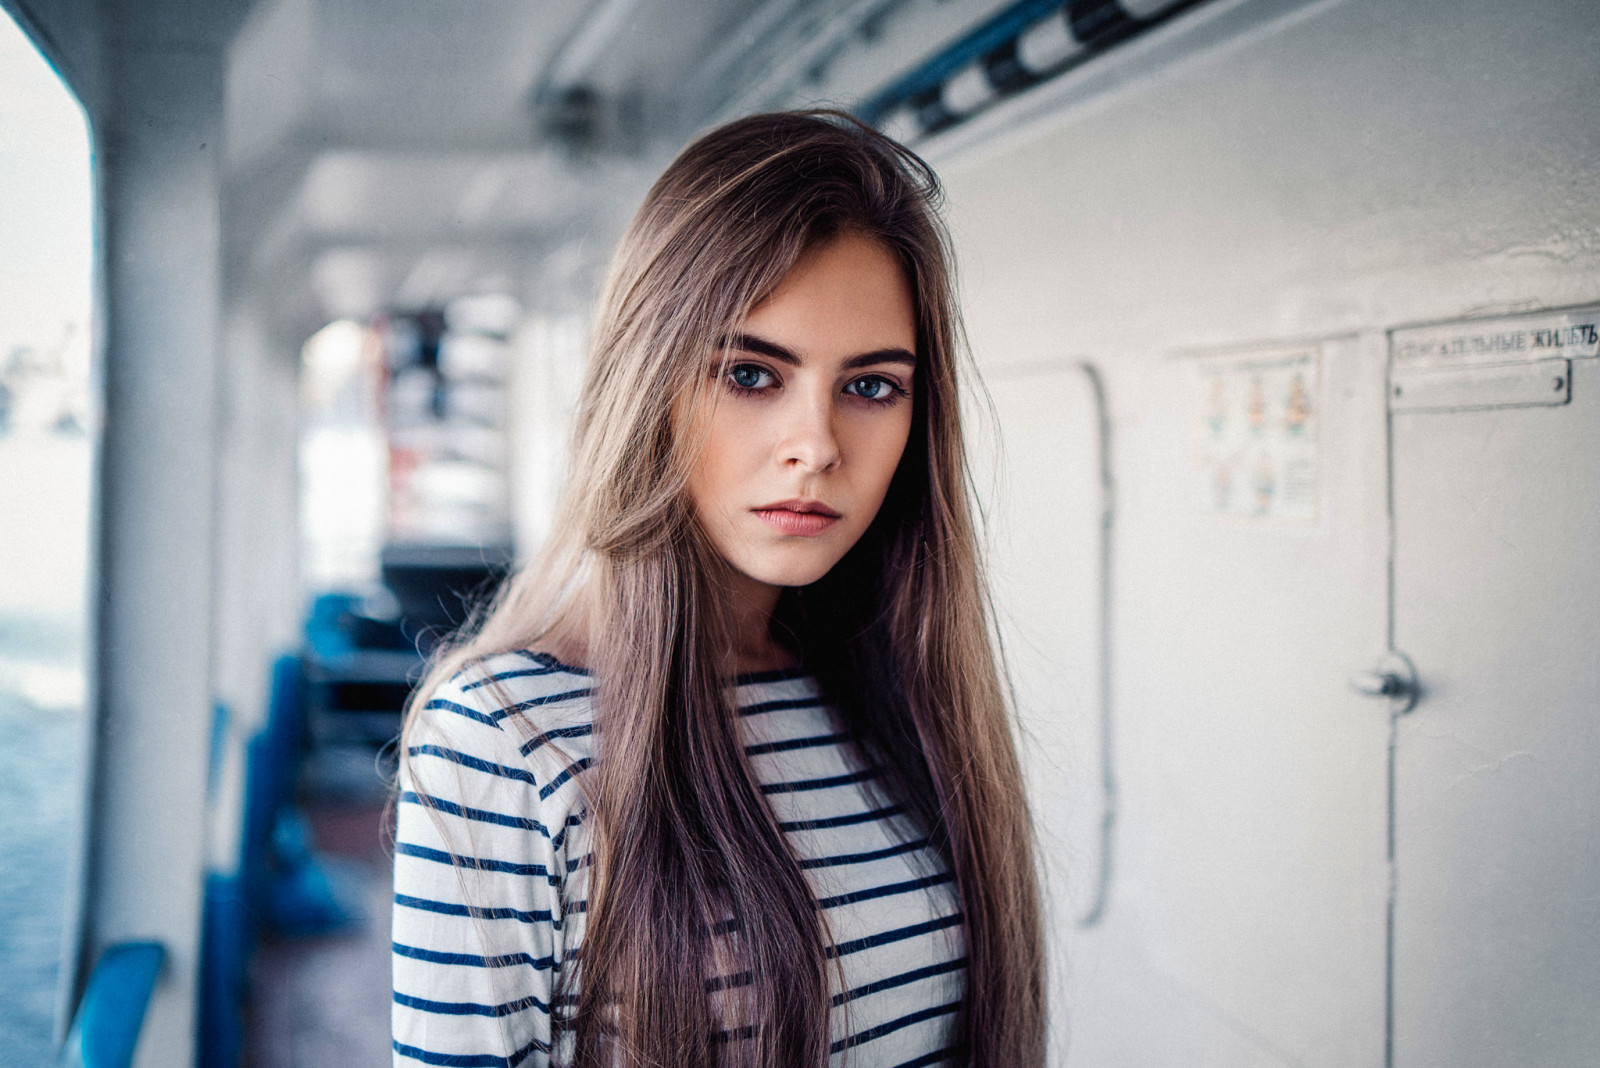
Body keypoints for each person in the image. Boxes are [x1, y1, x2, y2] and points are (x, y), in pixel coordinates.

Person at [391, 110, 1044, 1068]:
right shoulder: (503, 741)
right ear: (646, 385)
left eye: (871, 387)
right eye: (750, 373)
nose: (816, 445)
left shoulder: (895, 693)